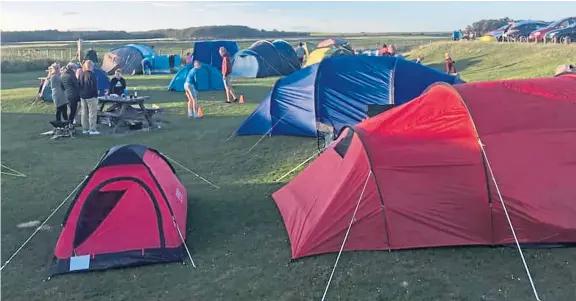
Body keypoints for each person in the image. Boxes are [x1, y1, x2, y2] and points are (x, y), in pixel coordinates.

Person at [78, 60, 100, 135]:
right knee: (92, 113)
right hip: (91, 96)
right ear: (91, 66)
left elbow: (79, 84)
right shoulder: (92, 75)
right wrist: (96, 94)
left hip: (83, 96)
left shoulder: (81, 74)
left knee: (84, 113)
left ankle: (85, 129)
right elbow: (93, 86)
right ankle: (92, 129)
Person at [61, 62, 81, 126]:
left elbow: (61, 86)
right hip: (74, 95)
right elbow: (77, 84)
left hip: (67, 94)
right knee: (73, 110)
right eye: (75, 68)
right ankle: (70, 123)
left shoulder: (62, 75)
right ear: (72, 68)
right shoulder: (71, 74)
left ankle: (70, 122)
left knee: (71, 109)